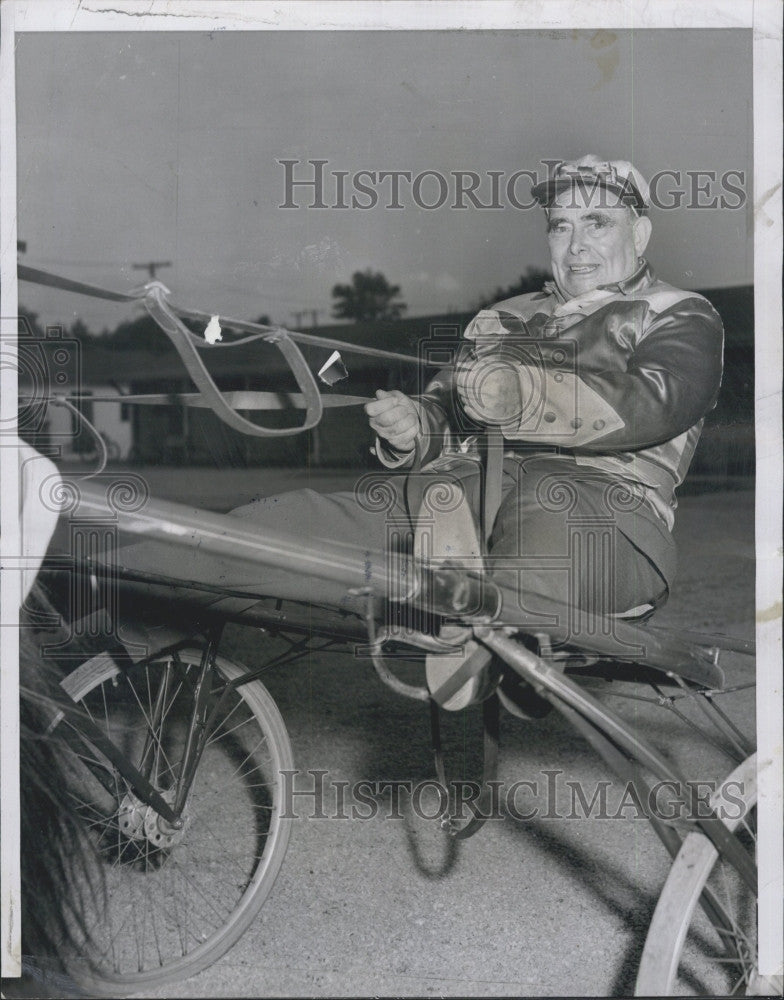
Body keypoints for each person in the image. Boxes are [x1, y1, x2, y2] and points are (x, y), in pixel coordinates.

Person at [230, 155, 724, 699]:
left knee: (543, 516)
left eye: (596, 222)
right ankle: (156, 567)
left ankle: (500, 646)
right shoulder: (500, 318)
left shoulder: (678, 313)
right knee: (275, 526)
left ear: (641, 232)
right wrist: (413, 427)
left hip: (603, 514)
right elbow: (446, 409)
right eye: (561, 225)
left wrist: (521, 395)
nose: (575, 243)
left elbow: (656, 401)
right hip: (461, 494)